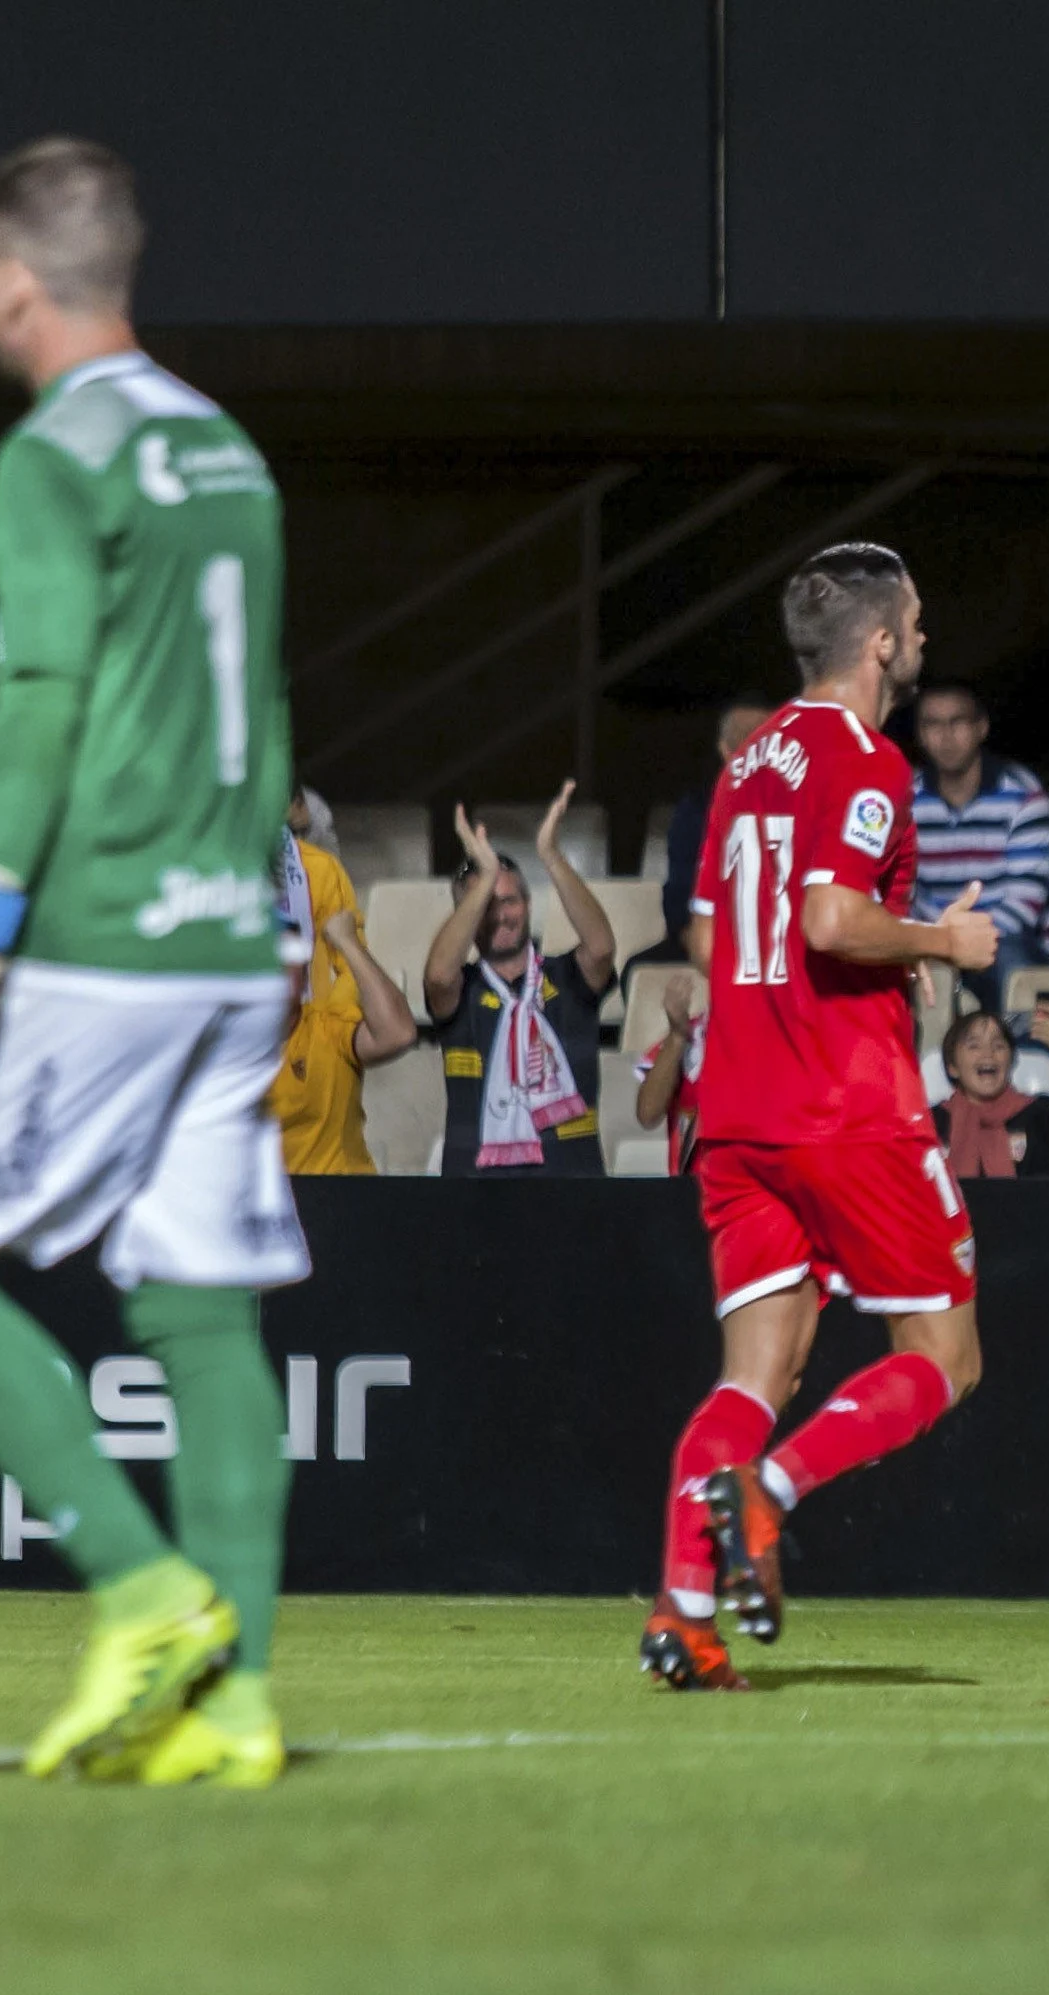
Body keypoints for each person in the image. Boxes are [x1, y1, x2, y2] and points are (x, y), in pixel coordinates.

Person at [0, 137, 306, 1787]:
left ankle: (140, 1588)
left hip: (109, 931)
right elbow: (256, 704)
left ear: (13, 279)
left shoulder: (55, 453)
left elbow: (39, 704)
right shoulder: (229, 447)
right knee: (200, 1306)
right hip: (238, 938)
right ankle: (239, 1700)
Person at [642, 543, 1002, 1691]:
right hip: (843, 1105)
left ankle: (684, 1614)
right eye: (919, 622)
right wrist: (941, 941)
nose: (926, 639)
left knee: (754, 1375)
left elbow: (715, 935)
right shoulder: (864, 757)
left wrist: (871, 966)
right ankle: (771, 1493)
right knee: (947, 1354)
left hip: (736, 1110)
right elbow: (834, 918)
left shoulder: (747, 763)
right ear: (884, 641)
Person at [423, 783, 618, 1177]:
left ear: (528, 905)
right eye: (485, 907)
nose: (499, 915)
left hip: (572, 1185)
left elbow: (600, 948)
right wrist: (488, 875)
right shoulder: (463, 989)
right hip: (477, 1194)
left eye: (509, 900)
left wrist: (550, 855)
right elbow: (438, 976)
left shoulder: (565, 978)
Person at [271, 809, 417, 1176]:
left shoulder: (327, 1031)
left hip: (342, 1208)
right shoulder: (220, 1051)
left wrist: (348, 944)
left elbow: (398, 1033)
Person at [908, 679, 1049, 1008]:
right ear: (920, 733)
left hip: (1005, 940)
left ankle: (1026, 1053)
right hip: (932, 938)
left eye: (957, 722)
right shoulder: (904, 799)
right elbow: (903, 893)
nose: (945, 736)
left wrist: (962, 940)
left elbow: (1026, 903)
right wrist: (939, 940)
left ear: (981, 727)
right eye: (932, 724)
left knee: (1011, 959)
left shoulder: (1023, 795)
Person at [931, 1001, 1049, 1179]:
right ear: (952, 1066)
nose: (988, 1053)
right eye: (974, 1046)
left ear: (1011, 1061)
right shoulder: (930, 1124)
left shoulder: (1041, 1113)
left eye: (998, 1046)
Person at [658, 700, 774, 958]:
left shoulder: (804, 801)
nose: (754, 747)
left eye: (765, 738)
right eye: (743, 739)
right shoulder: (698, 809)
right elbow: (680, 893)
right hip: (712, 936)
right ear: (724, 750)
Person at [633, 968, 704, 1176]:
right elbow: (647, 1114)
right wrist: (677, 1036)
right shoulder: (691, 1032)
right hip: (691, 1193)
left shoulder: (784, 1037)